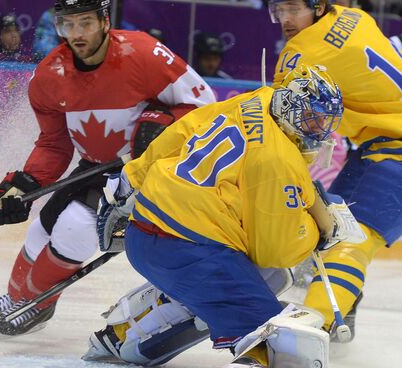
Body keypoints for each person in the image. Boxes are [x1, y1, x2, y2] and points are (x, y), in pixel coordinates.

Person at [87, 64, 361, 367]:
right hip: (188, 251)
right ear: (290, 109)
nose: (319, 129)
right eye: (312, 119)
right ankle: (137, 332)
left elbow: (182, 130)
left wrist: (132, 179)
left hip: (148, 232)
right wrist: (318, 234)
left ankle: (125, 337)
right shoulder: (279, 161)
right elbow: (275, 250)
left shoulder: (257, 99)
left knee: (266, 278)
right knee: (281, 344)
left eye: (323, 120)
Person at [0, 0, 215, 336]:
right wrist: (23, 185)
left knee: (74, 228)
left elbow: (205, 104)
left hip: (141, 172)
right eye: (68, 25)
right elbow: (54, 144)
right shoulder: (49, 75)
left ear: (104, 21)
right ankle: (18, 298)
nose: (77, 34)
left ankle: (37, 304)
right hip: (92, 166)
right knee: (40, 229)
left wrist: (163, 124)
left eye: (85, 23)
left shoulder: (143, 53)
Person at [269, 0, 402, 341]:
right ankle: (341, 312)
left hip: (394, 149)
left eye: (293, 8)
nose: (285, 19)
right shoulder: (353, 16)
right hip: (378, 145)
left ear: (317, 6)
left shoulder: (301, 53)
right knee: (331, 227)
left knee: (351, 239)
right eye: (278, 9)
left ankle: (311, 328)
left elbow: (279, 121)